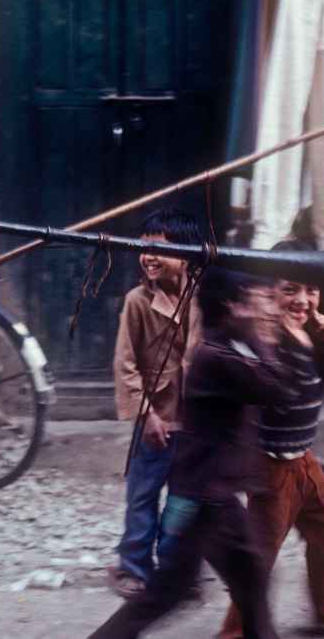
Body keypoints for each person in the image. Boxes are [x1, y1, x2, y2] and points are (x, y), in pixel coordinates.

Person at [88, 267, 299, 639]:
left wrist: (259, 336)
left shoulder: (228, 349)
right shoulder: (219, 357)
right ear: (233, 306)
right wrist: (272, 340)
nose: (266, 309)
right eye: (256, 300)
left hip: (210, 495)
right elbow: (280, 390)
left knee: (236, 582)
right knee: (182, 589)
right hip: (208, 499)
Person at [217, 240, 324, 638]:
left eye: (311, 290)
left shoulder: (313, 332)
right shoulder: (265, 338)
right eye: (290, 290)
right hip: (268, 466)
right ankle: (234, 629)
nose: (303, 300)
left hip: (303, 459)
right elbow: (286, 395)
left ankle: (323, 607)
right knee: (260, 556)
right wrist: (303, 345)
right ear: (270, 292)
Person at [107, 208, 202, 598]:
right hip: (155, 418)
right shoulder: (137, 302)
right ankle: (133, 567)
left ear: (186, 254)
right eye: (143, 248)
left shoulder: (205, 299)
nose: (147, 256)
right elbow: (125, 364)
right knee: (143, 496)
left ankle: (177, 570)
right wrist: (146, 415)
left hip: (195, 421)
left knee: (185, 502)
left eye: (158, 249)